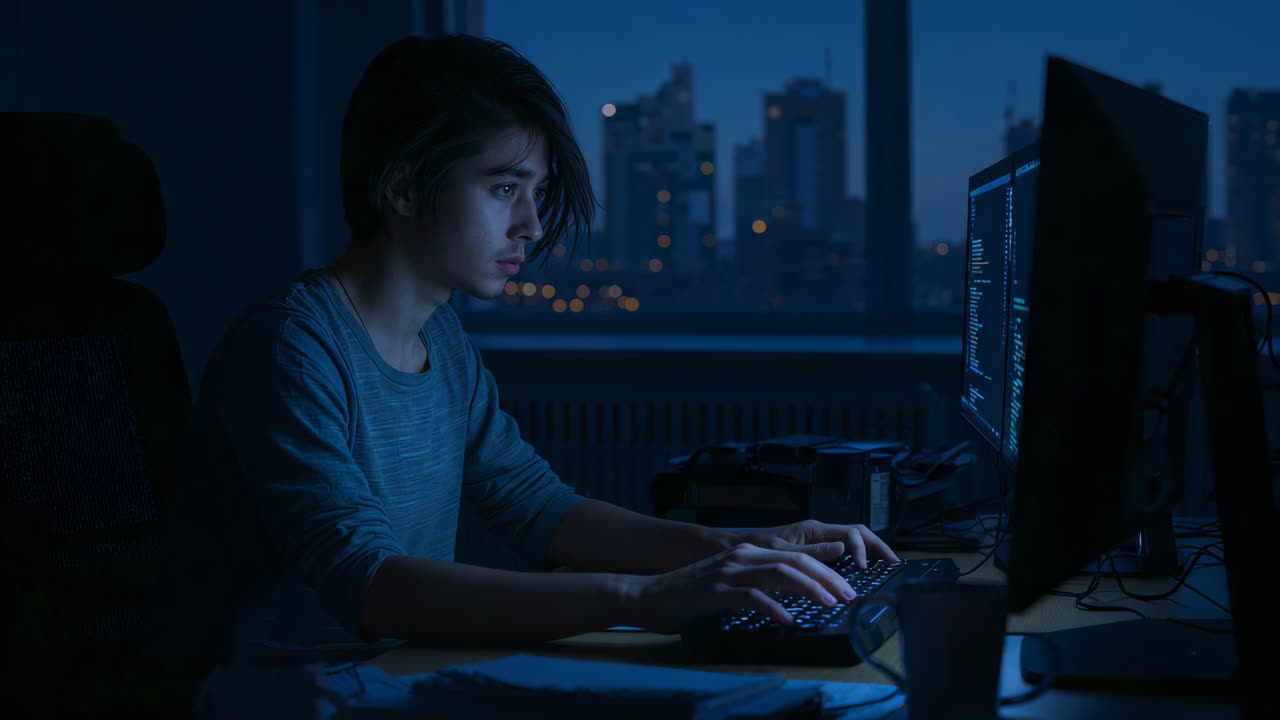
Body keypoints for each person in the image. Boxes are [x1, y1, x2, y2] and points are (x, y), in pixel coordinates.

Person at [154, 33, 899, 670]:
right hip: (285, 691)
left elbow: (540, 510)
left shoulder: (441, 337)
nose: (531, 226)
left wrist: (744, 546)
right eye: (503, 188)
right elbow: (371, 583)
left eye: (535, 193)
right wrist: (645, 598)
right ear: (404, 189)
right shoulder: (291, 347)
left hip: (398, 674)